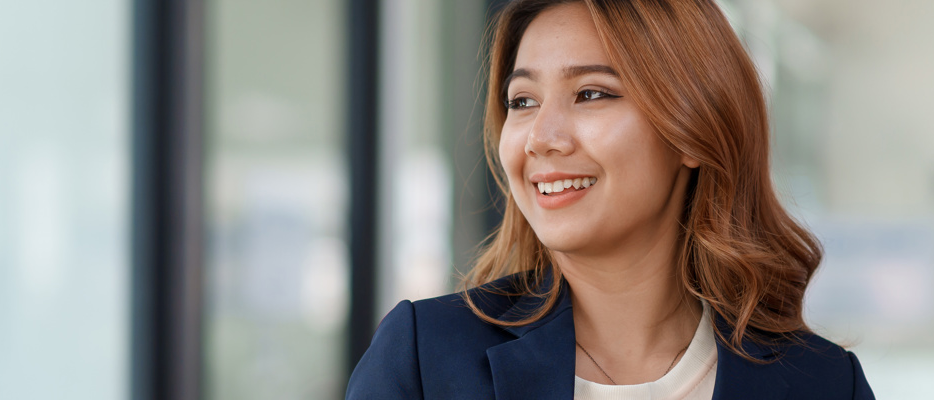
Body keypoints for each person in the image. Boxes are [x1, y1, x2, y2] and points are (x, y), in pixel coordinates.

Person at [346, 0, 874, 398]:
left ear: (692, 128)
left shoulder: (823, 384)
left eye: (591, 94)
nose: (541, 137)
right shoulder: (426, 359)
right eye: (522, 101)